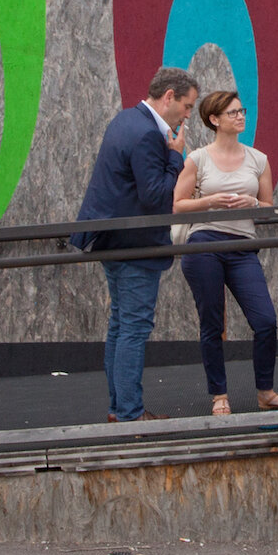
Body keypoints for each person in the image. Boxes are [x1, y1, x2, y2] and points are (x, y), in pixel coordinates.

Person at [74, 66, 200, 421]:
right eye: (187, 106)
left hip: (112, 241)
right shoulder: (147, 134)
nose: (189, 114)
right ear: (169, 97)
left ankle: (119, 408)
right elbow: (156, 196)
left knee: (120, 325)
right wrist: (176, 156)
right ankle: (129, 413)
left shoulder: (125, 120)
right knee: (133, 328)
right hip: (135, 245)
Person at [174, 88, 278, 416]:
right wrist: (210, 201)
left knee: (266, 321)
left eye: (242, 110)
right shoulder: (198, 158)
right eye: (232, 112)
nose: (241, 116)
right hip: (205, 245)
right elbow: (176, 206)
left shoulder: (258, 159)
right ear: (214, 120)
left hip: (243, 248)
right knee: (212, 324)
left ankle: (266, 392)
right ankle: (219, 397)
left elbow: (270, 210)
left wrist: (254, 203)